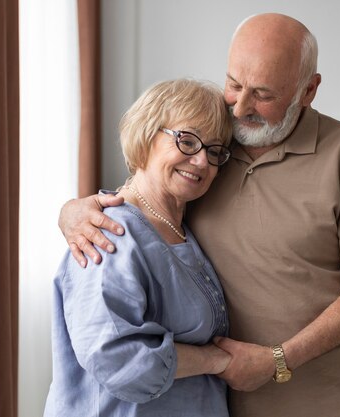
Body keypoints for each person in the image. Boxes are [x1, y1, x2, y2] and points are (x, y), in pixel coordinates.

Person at [59, 13, 340, 417]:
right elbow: (149, 187)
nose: (241, 108)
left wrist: (278, 359)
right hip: (223, 401)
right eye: (234, 84)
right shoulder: (213, 139)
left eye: (264, 94)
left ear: (308, 90)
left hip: (326, 398)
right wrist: (74, 210)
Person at [43, 78, 235, 417]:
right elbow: (119, 360)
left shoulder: (185, 228)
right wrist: (218, 361)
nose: (203, 161)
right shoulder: (108, 233)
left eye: (215, 151)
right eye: (187, 141)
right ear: (146, 135)